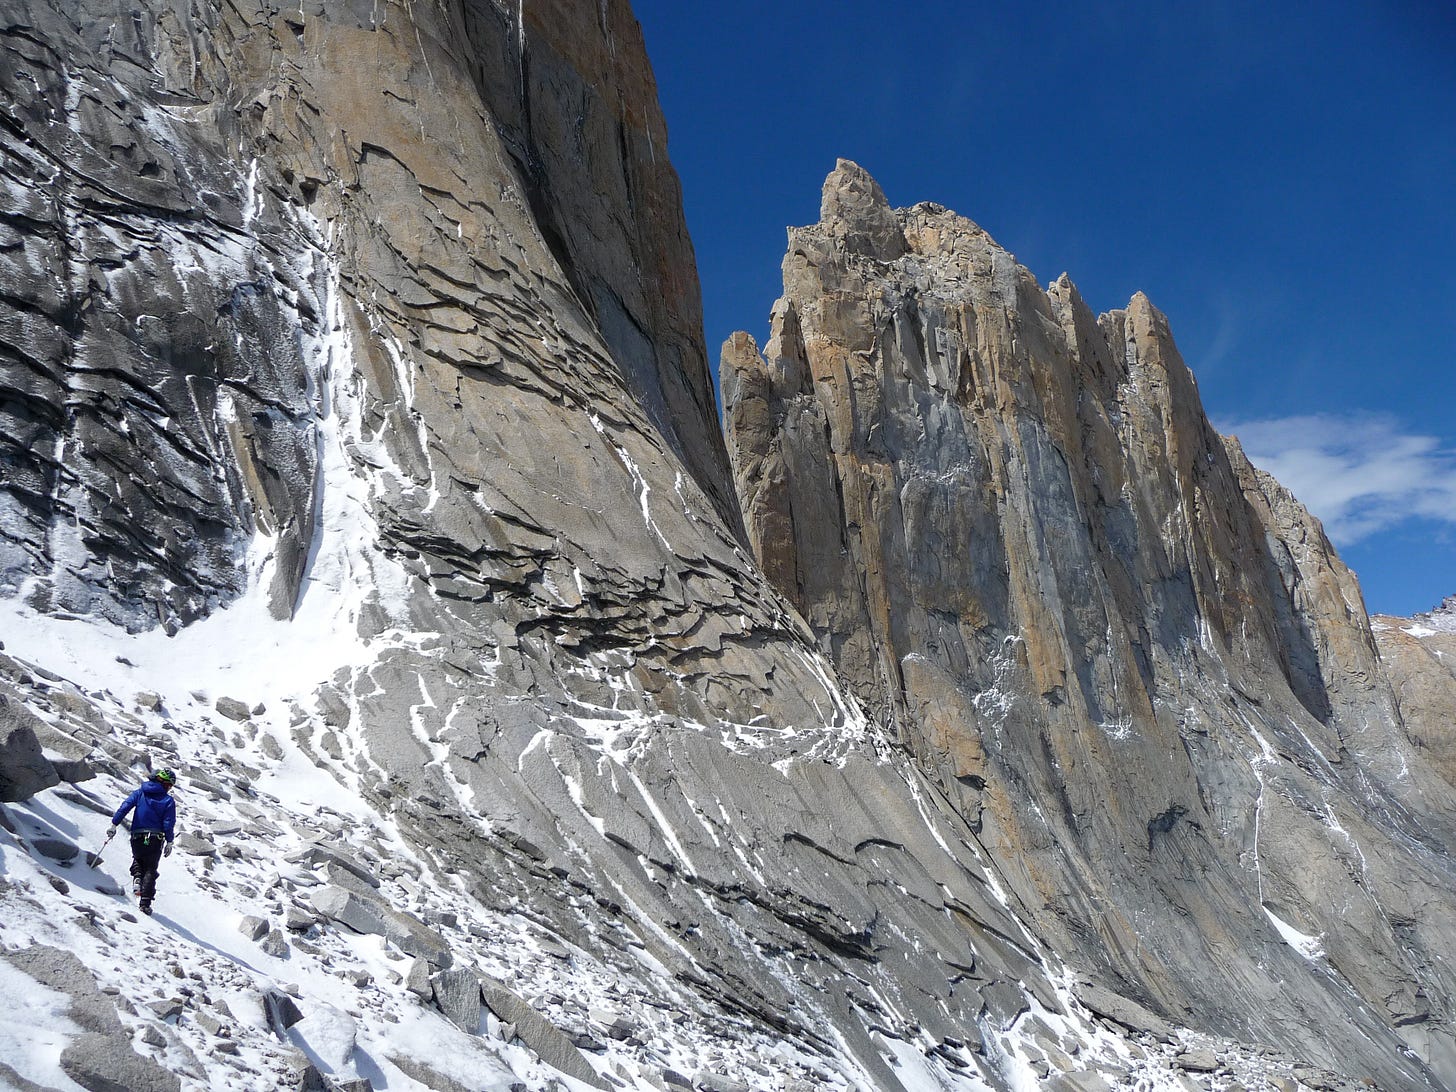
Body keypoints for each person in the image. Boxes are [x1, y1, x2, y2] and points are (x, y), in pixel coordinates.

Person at [110, 769, 177, 914]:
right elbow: (168, 823)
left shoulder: (139, 792)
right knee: (151, 869)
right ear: (164, 783)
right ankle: (145, 903)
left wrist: (114, 824)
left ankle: (137, 878)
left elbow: (125, 807)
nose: (169, 788)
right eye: (169, 785)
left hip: (137, 836)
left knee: (138, 859)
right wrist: (169, 841)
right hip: (154, 838)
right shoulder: (167, 800)